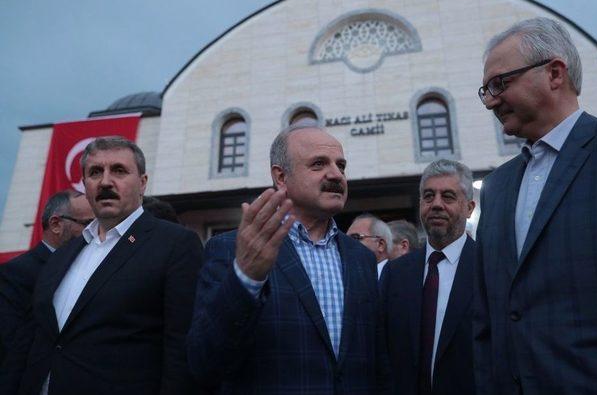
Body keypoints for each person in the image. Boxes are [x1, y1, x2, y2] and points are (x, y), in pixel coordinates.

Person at [475, 17, 597, 395]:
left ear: (554, 73)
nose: (491, 101)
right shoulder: (497, 187)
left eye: (500, 84)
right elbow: (487, 323)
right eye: (485, 90)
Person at [188, 124, 388, 394]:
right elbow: (204, 362)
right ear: (281, 177)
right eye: (319, 164)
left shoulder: (361, 258)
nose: (336, 175)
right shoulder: (230, 249)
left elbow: (378, 360)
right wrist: (246, 278)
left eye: (341, 165)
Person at [19, 136, 202, 395]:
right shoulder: (64, 254)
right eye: (95, 172)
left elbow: (181, 350)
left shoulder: (175, 244)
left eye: (118, 170)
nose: (105, 181)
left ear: (142, 183)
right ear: (84, 185)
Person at [380, 159, 476, 395]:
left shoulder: (491, 268)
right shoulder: (395, 274)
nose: (436, 205)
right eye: (429, 196)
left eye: (448, 197)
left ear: (469, 208)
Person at [0, 190, 93, 394]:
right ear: (56, 224)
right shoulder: (17, 273)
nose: (94, 233)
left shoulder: (88, 269)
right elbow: (10, 345)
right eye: (87, 225)